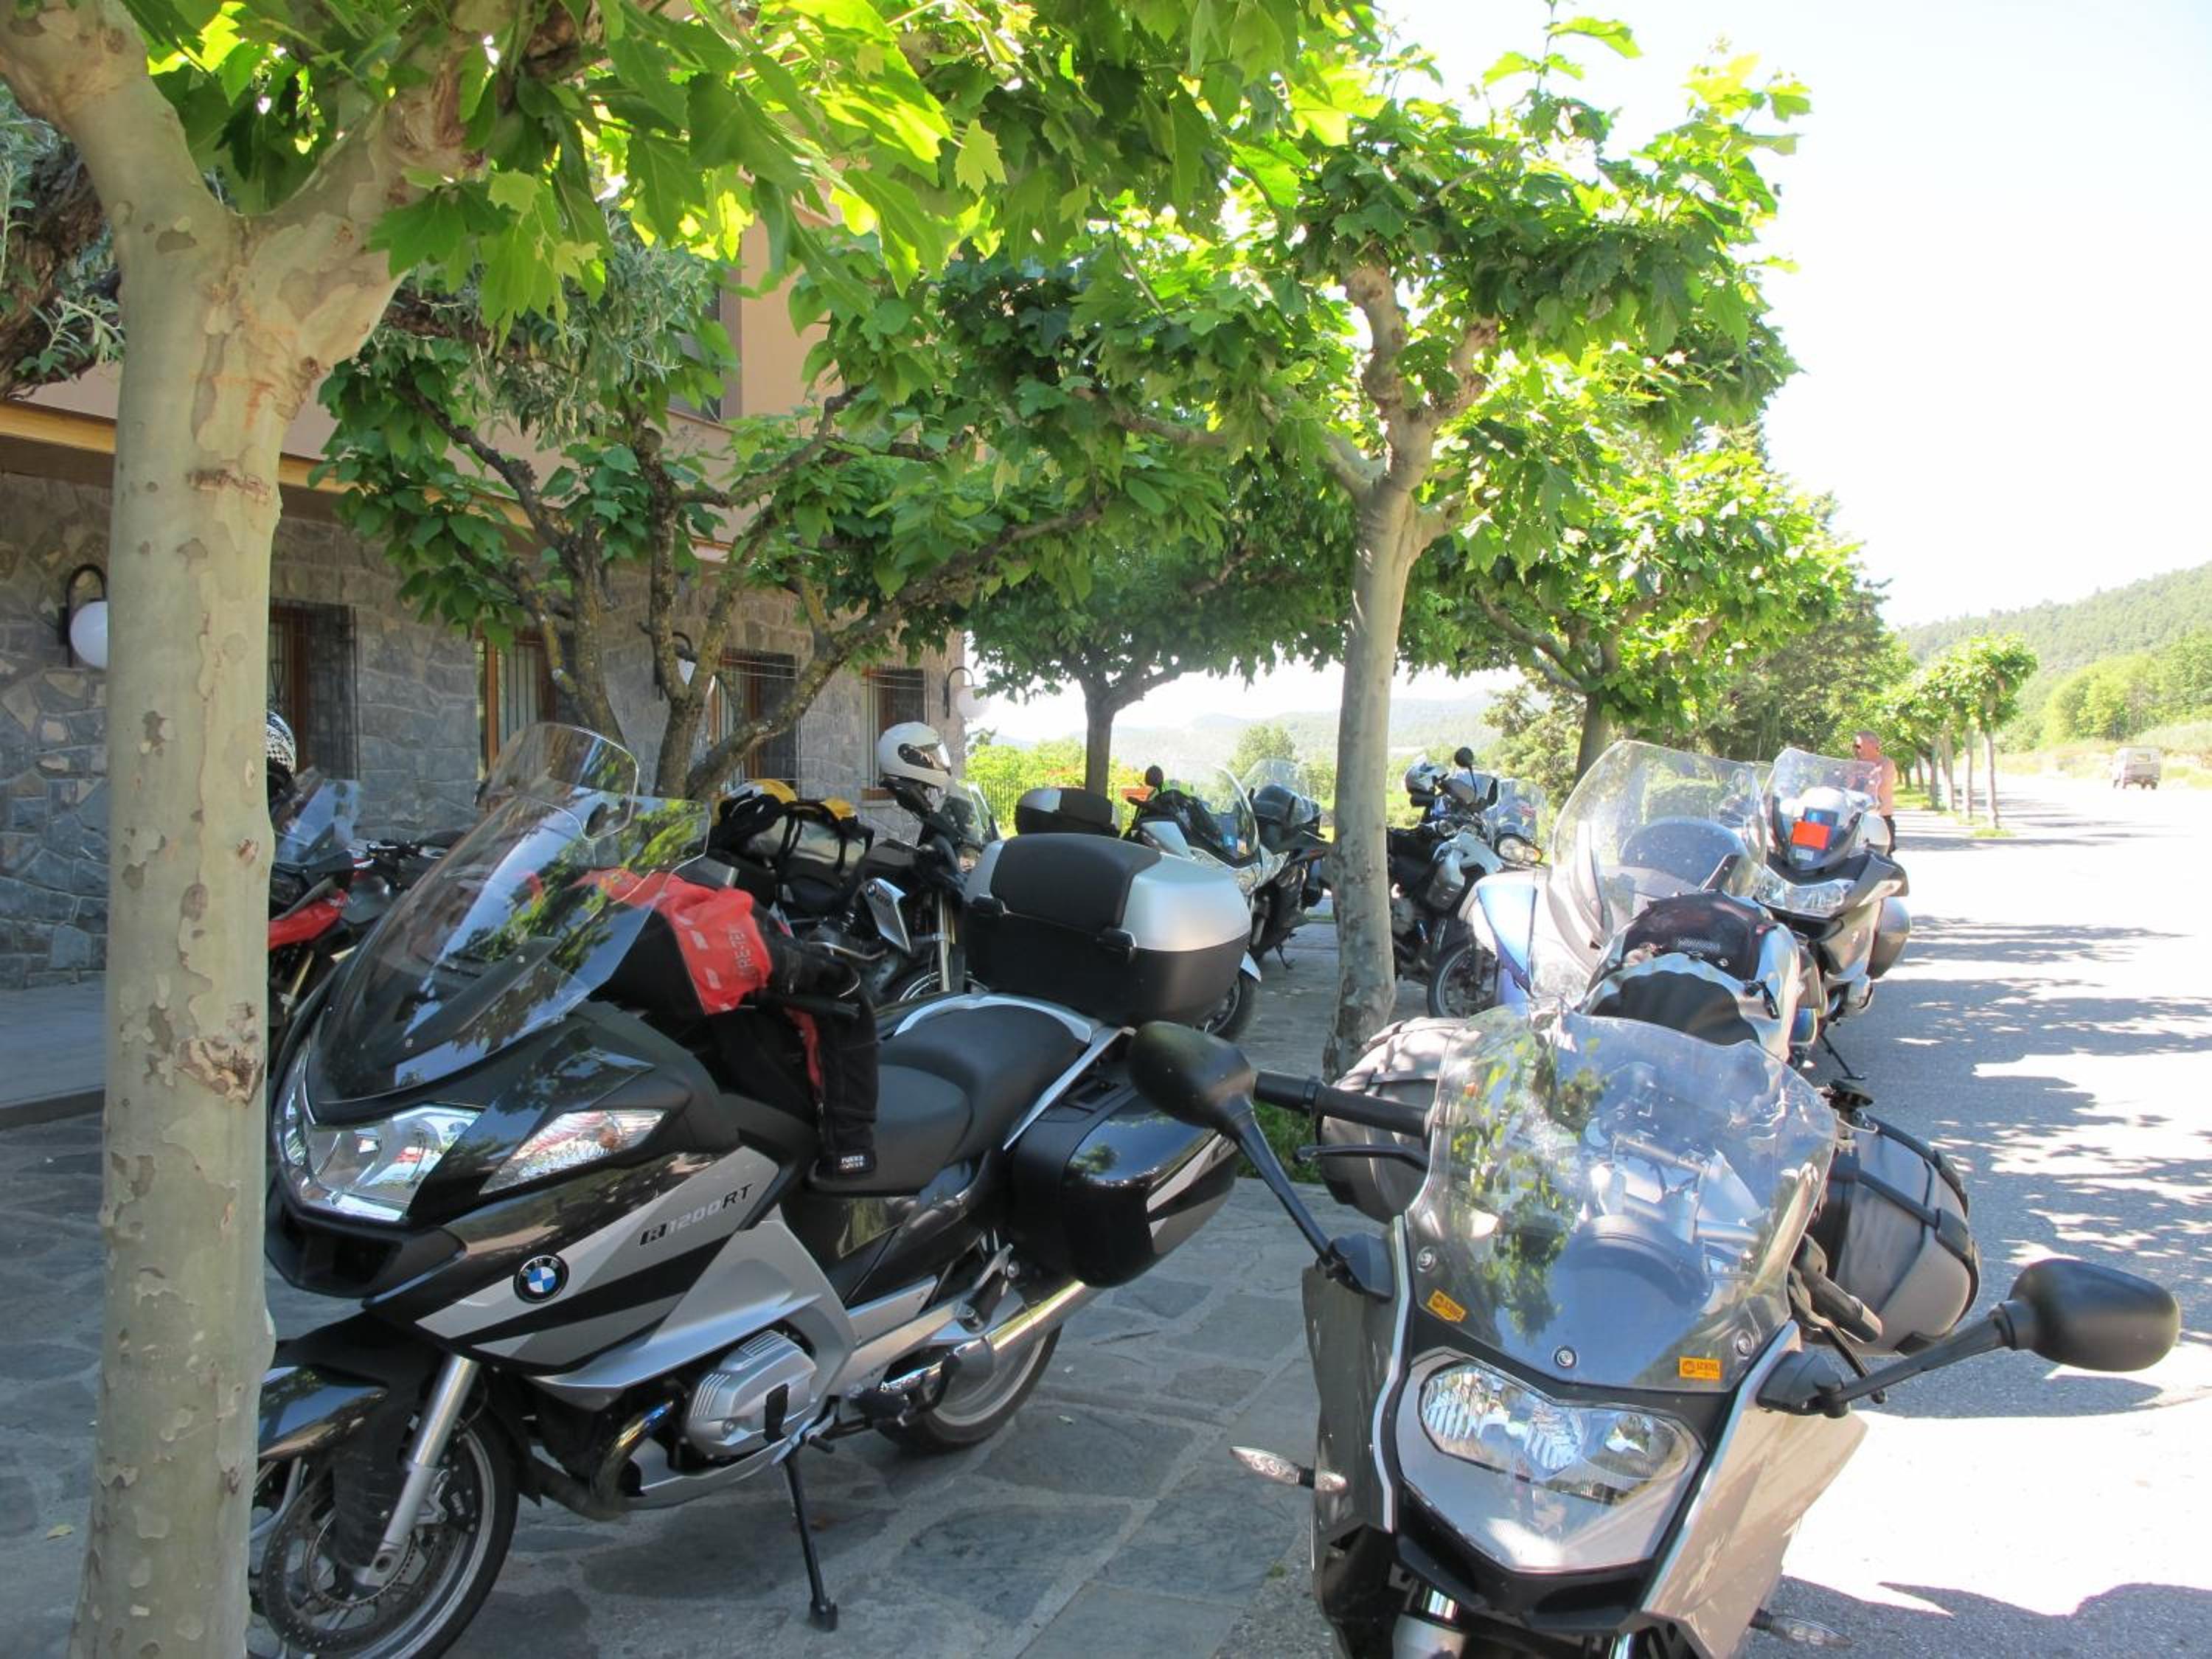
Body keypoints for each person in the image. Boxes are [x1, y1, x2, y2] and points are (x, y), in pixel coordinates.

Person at [1852, 730, 1899, 849]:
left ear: (1874, 744)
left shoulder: (1886, 764)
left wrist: (1865, 777)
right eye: (1855, 746)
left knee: (1880, 854)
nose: (1856, 749)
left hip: (1879, 818)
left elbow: (1878, 784)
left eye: (1859, 745)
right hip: (1855, 818)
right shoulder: (1853, 765)